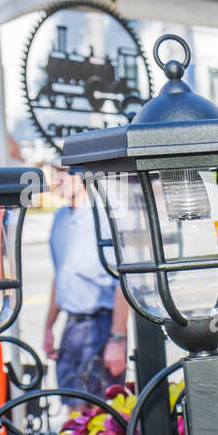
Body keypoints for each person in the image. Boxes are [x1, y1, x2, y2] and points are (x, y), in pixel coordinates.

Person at [44, 172, 128, 401]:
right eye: (56, 173)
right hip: (71, 327)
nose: (59, 179)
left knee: (100, 412)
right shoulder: (60, 218)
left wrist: (117, 340)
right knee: (72, 407)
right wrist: (49, 327)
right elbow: (61, 273)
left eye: (66, 173)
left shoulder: (104, 215)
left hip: (101, 325)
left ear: (82, 177)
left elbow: (123, 280)